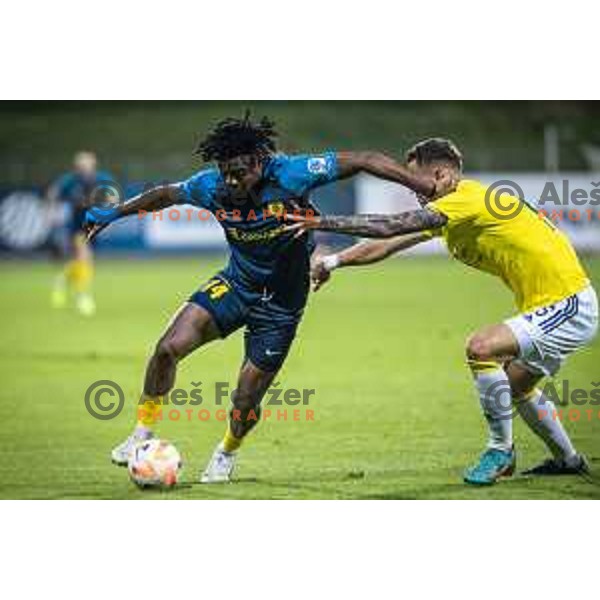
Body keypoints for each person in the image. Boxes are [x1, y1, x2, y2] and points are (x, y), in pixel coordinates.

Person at [84, 112, 419, 483]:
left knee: (245, 401)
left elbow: (365, 159)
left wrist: (417, 181)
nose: (232, 180)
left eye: (240, 171)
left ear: (260, 161)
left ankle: (226, 451)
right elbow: (165, 195)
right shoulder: (211, 187)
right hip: (236, 285)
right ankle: (141, 432)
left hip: (281, 306)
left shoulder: (292, 173)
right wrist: (114, 213)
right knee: (167, 348)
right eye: (226, 171)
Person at [288, 137, 599, 485]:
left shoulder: (466, 198)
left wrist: (321, 222)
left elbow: (391, 225)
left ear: (440, 173)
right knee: (514, 386)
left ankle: (501, 450)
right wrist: (333, 260)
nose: (412, 187)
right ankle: (569, 459)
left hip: (568, 305)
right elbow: (388, 244)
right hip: (551, 307)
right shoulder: (451, 206)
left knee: (481, 348)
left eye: (415, 179)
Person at [48, 151, 111, 316]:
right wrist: (52, 211)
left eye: (88, 165)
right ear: (77, 167)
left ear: (94, 165)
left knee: (80, 262)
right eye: (81, 166)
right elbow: (53, 193)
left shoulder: (102, 179)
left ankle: (61, 280)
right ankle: (83, 297)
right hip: (76, 228)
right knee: (85, 259)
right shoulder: (70, 180)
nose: (85, 168)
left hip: (94, 226)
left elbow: (112, 196)